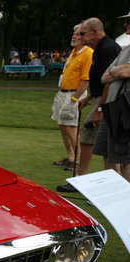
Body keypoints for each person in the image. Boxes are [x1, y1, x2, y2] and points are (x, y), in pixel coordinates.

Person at [56, 17, 121, 192]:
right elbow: (101, 80)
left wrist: (100, 108)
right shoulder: (99, 49)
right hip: (103, 98)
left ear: (93, 32)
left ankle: (83, 181)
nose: (81, 37)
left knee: (88, 139)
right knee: (105, 145)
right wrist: (91, 95)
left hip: (108, 101)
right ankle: (106, 183)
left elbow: (110, 81)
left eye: (83, 33)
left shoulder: (106, 49)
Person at [51, 24, 93, 171]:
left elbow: (86, 80)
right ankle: (70, 157)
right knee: (63, 125)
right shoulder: (74, 52)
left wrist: (74, 99)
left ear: (86, 37)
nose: (74, 36)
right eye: (74, 33)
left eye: (79, 34)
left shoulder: (88, 53)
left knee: (71, 127)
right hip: (63, 92)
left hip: (74, 94)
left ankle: (78, 160)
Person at [92, 39, 130, 181]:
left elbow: (125, 71)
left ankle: (126, 199)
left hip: (126, 109)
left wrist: (117, 71)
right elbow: (104, 76)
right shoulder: (126, 49)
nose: (127, 24)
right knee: (107, 151)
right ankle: (112, 191)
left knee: (125, 158)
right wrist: (117, 71)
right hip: (113, 107)